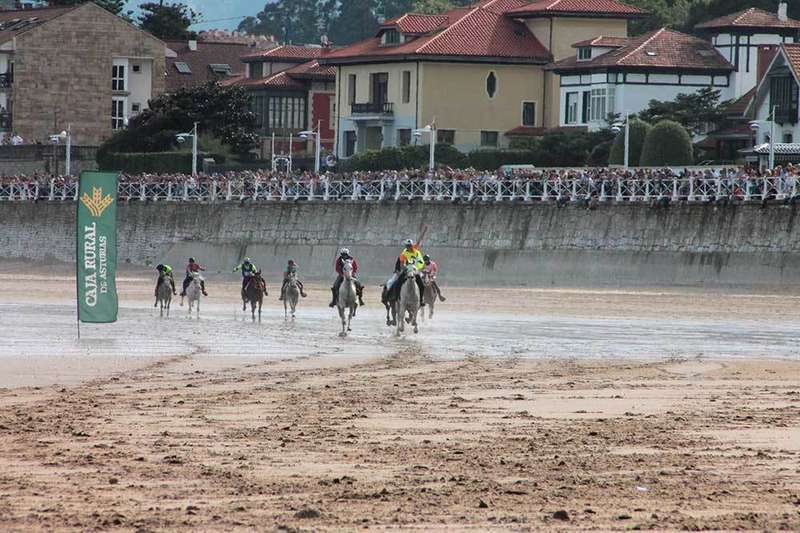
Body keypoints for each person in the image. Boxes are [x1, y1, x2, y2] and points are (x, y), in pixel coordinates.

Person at [388, 238, 425, 307]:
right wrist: (406, 270)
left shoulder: (415, 249)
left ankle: (421, 300)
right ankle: (397, 298)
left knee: (422, 285)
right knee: (397, 283)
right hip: (406, 271)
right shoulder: (403, 254)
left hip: (414, 271)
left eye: (410, 245)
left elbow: (419, 240)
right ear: (406, 246)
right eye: (407, 246)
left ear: (412, 245)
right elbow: (402, 265)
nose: (409, 247)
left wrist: (424, 231)